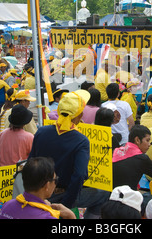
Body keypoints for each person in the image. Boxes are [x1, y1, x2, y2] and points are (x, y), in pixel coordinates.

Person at [28, 90, 110, 219]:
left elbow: (30, 162)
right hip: (61, 196)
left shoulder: (41, 131)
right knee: (104, 193)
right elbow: (79, 176)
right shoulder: (81, 140)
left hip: (37, 192)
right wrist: (67, 205)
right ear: (79, 115)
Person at [0, 157, 76, 219]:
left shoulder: (7, 205)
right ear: (47, 185)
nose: (55, 184)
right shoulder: (47, 217)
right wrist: (71, 217)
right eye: (55, 180)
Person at [112, 125, 152, 198]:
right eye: (147, 140)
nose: (149, 144)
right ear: (137, 140)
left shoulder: (115, 151)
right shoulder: (142, 158)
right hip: (128, 199)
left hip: (111, 195)